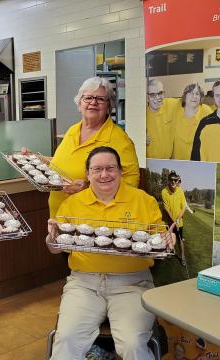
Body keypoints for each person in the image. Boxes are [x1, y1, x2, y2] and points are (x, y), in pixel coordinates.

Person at [46, 146, 175, 360]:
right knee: (67, 339)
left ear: (120, 171)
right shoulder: (73, 203)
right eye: (97, 169)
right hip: (83, 285)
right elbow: (55, 248)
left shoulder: (143, 200)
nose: (104, 175)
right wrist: (51, 239)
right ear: (87, 174)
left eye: (110, 168)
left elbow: (159, 240)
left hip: (132, 286)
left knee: (133, 344)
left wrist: (168, 240)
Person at [45, 76, 140, 218]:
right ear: (79, 103)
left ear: (109, 106)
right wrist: (34, 158)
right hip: (59, 217)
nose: (93, 103)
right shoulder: (73, 130)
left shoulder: (119, 140)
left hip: (92, 221)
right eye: (88, 98)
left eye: (100, 99)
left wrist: (90, 188)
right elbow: (62, 163)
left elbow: (131, 184)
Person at [172, 83, 213, 160]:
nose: (194, 96)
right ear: (184, 96)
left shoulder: (207, 111)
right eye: (191, 93)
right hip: (177, 161)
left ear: (200, 97)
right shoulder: (175, 109)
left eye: (197, 94)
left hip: (199, 162)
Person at [146, 78, 180, 159]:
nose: (157, 97)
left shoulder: (171, 104)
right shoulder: (142, 116)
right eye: (152, 95)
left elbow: (188, 101)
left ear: (164, 93)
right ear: (147, 97)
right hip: (150, 164)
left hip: (169, 160)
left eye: (160, 93)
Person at [161, 171, 187, 266]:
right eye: (171, 180)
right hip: (168, 221)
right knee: (169, 238)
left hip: (179, 222)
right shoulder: (164, 191)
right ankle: (169, 252)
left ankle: (183, 258)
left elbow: (184, 207)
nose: (173, 182)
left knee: (180, 240)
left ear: (177, 181)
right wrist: (173, 221)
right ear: (168, 180)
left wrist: (177, 221)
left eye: (175, 180)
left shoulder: (180, 191)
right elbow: (166, 208)